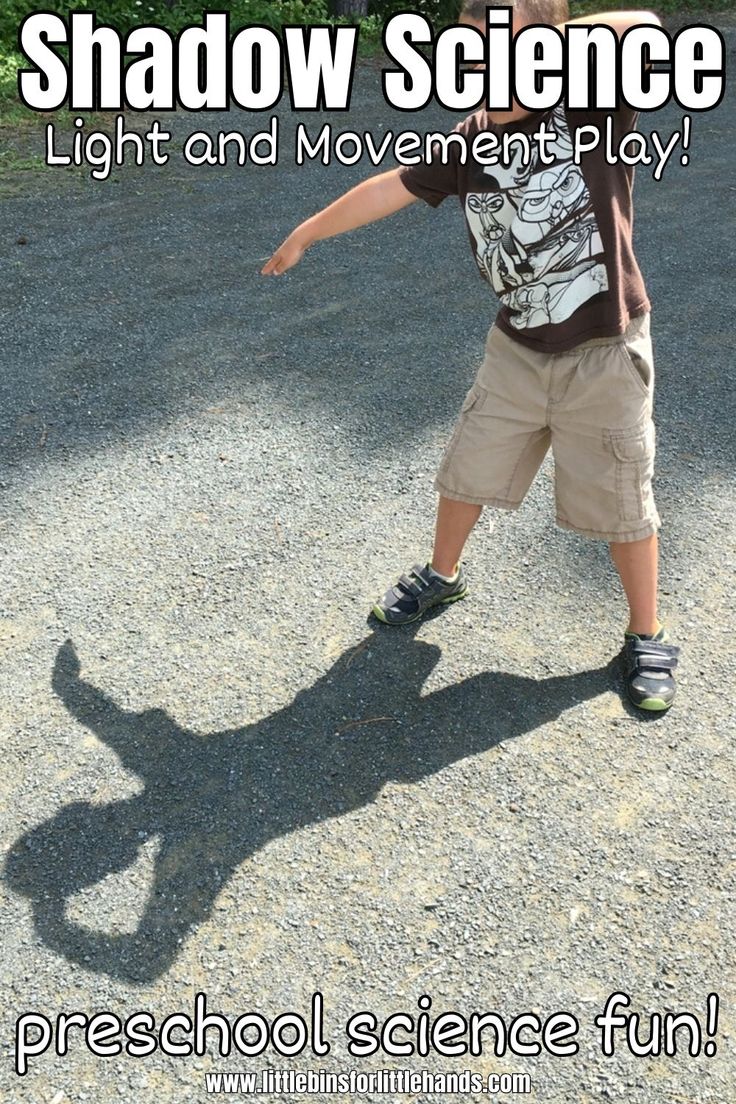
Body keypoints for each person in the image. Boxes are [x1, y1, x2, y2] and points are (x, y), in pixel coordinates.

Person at [261, 0, 680, 712]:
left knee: (623, 500)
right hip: (515, 348)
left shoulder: (593, 109)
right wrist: (308, 230)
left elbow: (643, 24)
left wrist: (543, 44)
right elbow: (386, 186)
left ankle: (646, 633)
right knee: (466, 470)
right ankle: (441, 574)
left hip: (606, 352)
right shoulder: (470, 142)